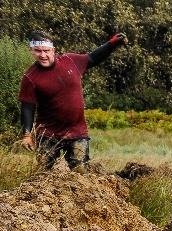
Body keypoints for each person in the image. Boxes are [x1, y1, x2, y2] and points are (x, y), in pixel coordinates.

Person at [19, 31, 128, 170]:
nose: (43, 55)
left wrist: (112, 44)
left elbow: (93, 58)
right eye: (38, 51)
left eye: (46, 51)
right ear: (32, 51)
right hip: (47, 134)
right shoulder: (30, 77)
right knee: (43, 174)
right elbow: (27, 107)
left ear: (53, 50)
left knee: (80, 172)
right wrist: (27, 135)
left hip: (77, 132)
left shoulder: (71, 61)